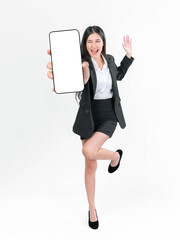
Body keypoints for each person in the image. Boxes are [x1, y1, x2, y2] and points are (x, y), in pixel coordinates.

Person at [46, 26, 134, 230]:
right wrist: (82, 72)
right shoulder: (82, 63)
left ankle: (115, 156)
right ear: (84, 45)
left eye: (97, 41)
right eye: (89, 42)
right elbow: (83, 80)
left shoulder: (110, 59)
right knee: (90, 164)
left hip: (109, 115)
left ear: (103, 42)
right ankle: (92, 209)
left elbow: (118, 75)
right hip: (89, 116)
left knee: (88, 150)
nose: (94, 45)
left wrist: (128, 55)